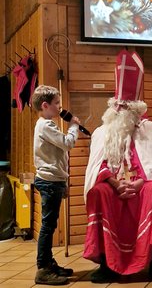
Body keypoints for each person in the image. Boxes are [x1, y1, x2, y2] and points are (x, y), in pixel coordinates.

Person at [83, 49, 152, 283]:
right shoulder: (103, 132)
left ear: (136, 109)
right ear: (113, 109)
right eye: (119, 106)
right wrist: (115, 183)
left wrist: (138, 183)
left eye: (127, 106)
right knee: (98, 191)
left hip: (141, 187)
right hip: (114, 188)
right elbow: (98, 166)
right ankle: (107, 264)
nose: (122, 110)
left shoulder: (149, 129)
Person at [32, 85, 80, 285]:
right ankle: (43, 269)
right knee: (48, 226)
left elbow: (59, 155)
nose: (60, 108)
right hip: (49, 181)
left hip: (54, 180)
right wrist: (74, 126)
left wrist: (64, 181)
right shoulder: (46, 125)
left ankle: (49, 263)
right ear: (45, 105)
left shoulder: (47, 124)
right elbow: (68, 143)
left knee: (49, 225)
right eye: (57, 103)